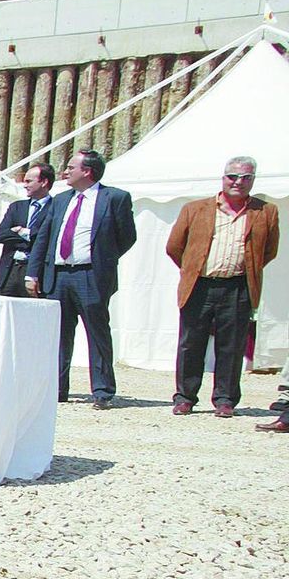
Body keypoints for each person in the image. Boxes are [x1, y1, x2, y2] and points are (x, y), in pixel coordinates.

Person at [165, 156, 279, 418]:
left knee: (232, 345)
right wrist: (192, 268)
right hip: (200, 285)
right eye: (233, 176)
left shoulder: (266, 211)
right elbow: (174, 246)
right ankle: (185, 397)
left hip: (238, 286)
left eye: (246, 177)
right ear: (223, 177)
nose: (238, 182)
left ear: (253, 180)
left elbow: (269, 251)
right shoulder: (196, 209)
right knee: (190, 343)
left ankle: (225, 400)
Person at [25, 149, 137, 409]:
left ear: (87, 171)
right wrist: (33, 272)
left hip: (91, 275)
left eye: (71, 167)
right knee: (59, 334)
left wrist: (103, 259)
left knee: (97, 333)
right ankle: (57, 388)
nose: (65, 171)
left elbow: (126, 236)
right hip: (60, 275)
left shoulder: (114, 198)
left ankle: (102, 390)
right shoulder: (61, 200)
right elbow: (44, 237)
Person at [0, 162, 54, 298]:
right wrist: (30, 237)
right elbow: (1, 235)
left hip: (35, 272)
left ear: (44, 182)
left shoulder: (55, 208)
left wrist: (22, 232)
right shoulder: (17, 207)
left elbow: (47, 237)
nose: (25, 185)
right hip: (9, 270)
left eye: (29, 181)